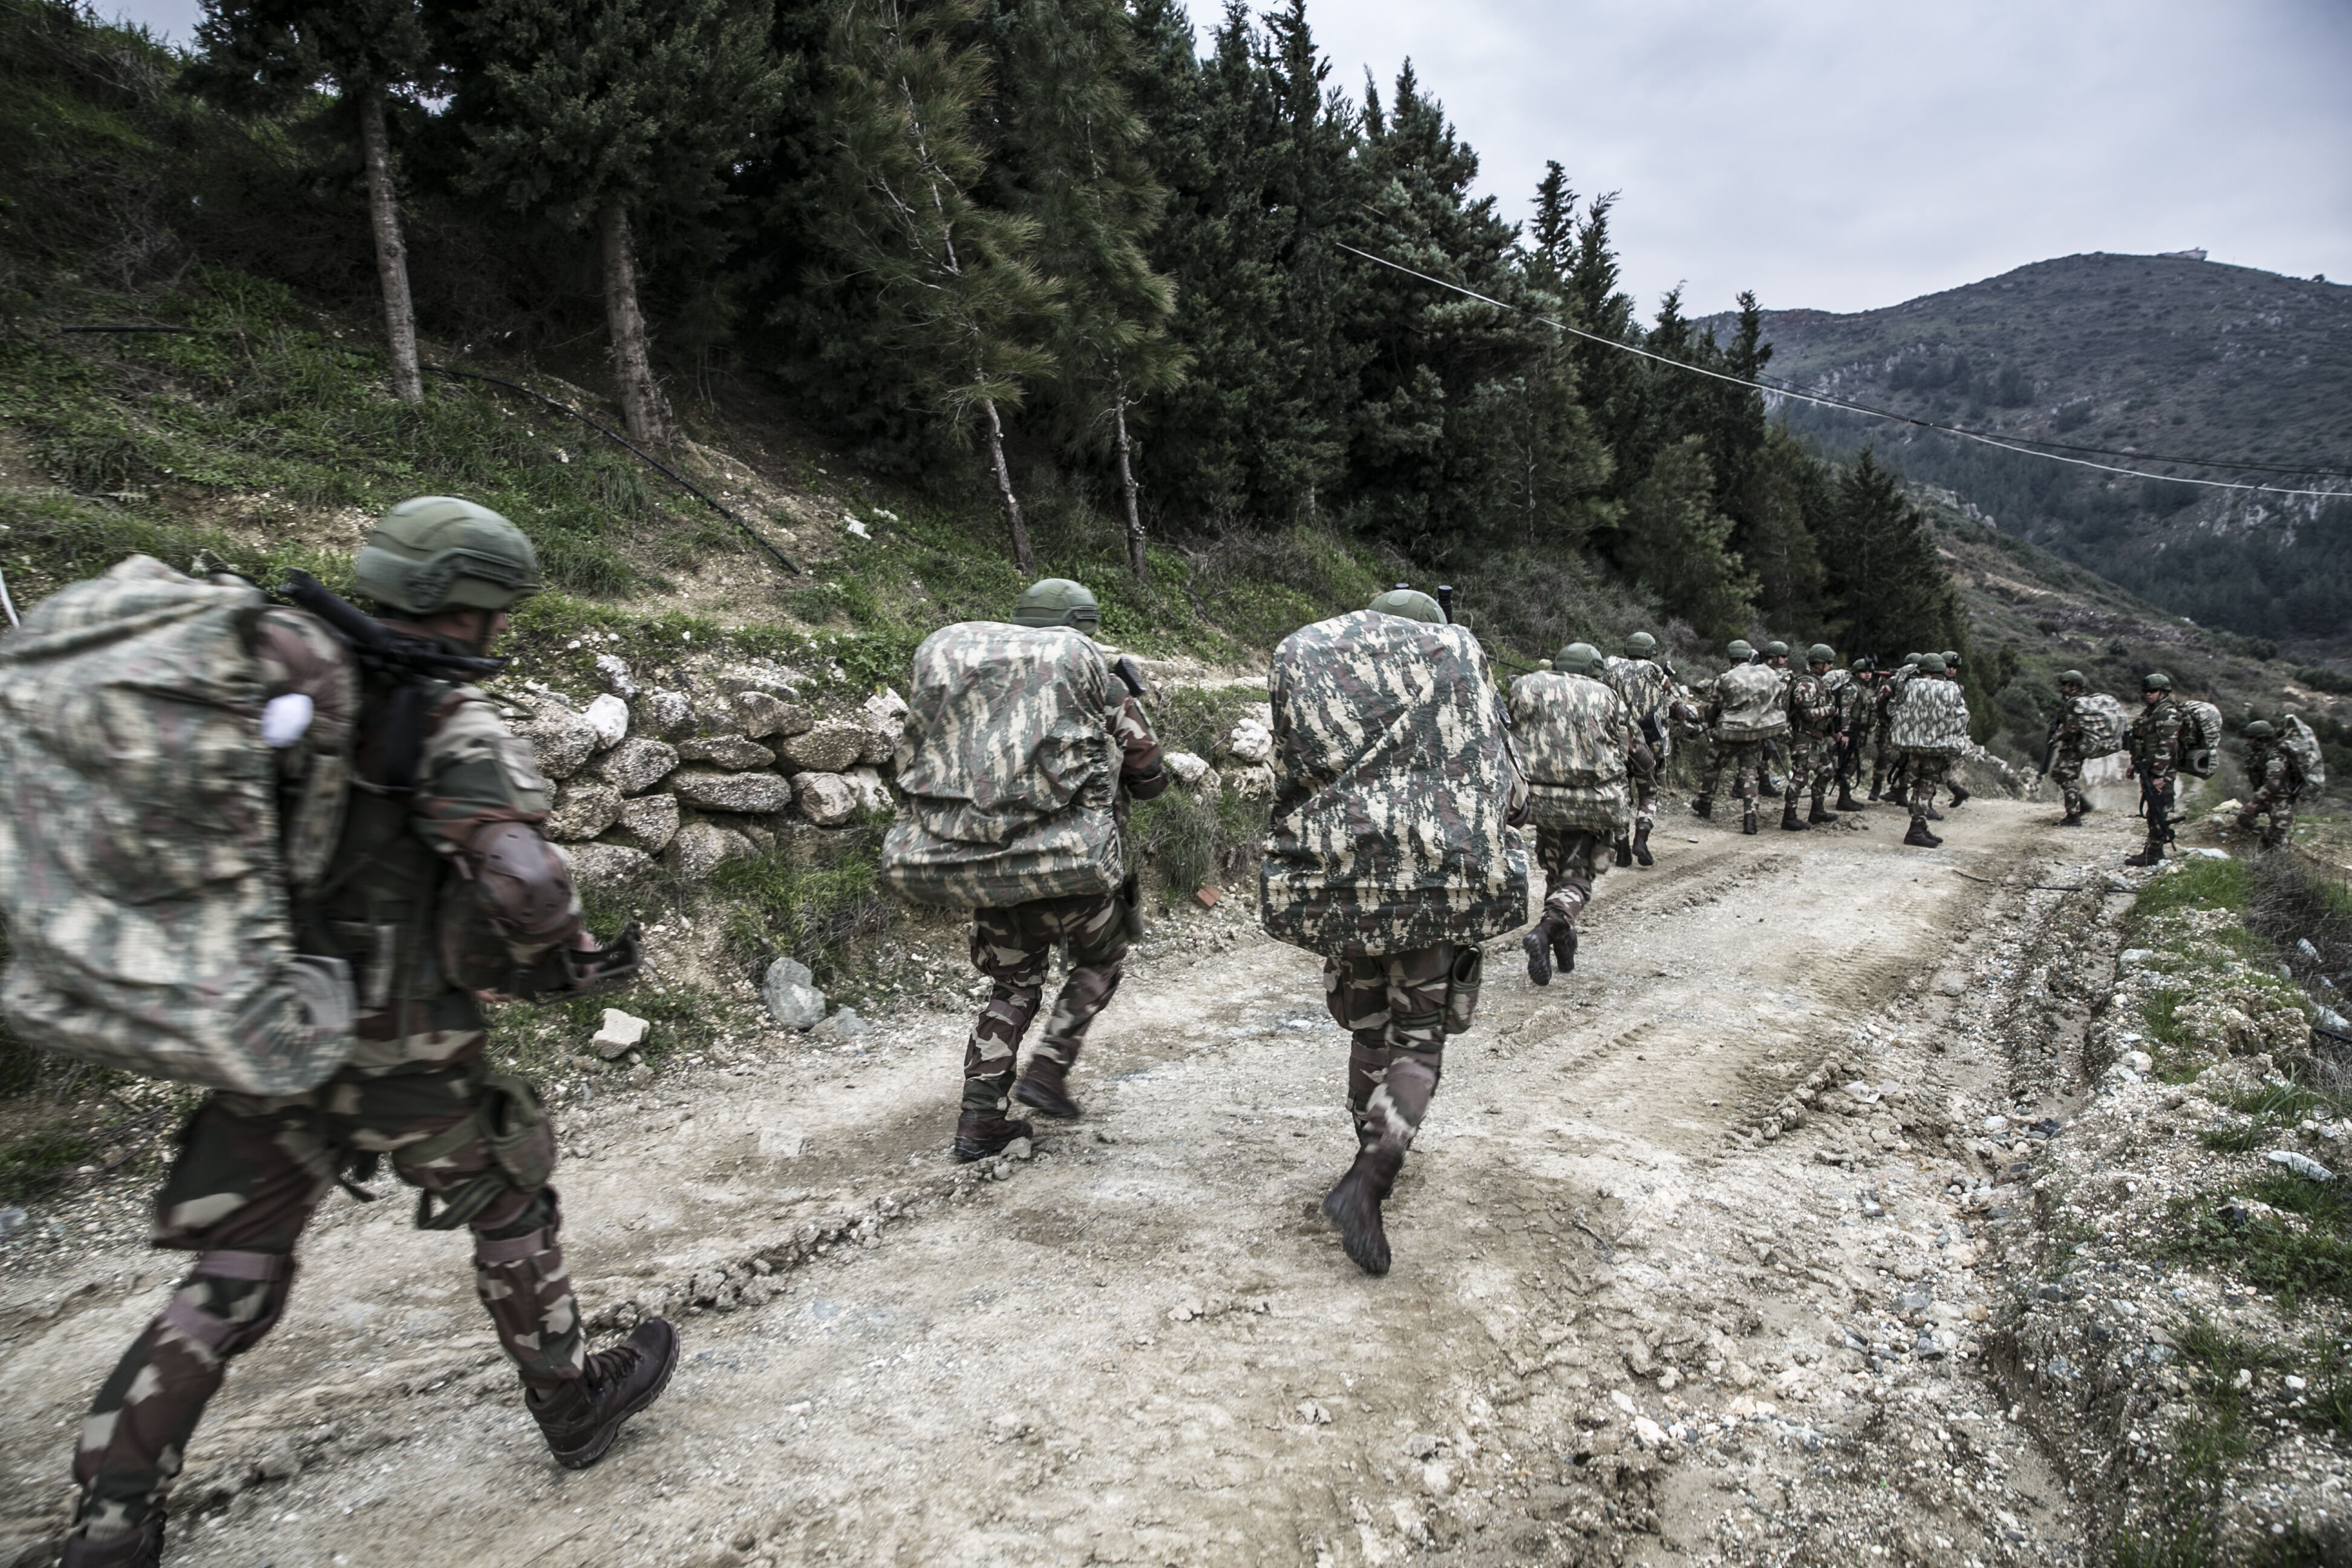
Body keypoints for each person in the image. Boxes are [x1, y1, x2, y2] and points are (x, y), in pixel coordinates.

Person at [56, 498, 674, 1568]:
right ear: (463, 606)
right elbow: (523, 880)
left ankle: (111, 1523)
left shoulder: (276, 681)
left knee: (231, 1273)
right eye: (496, 611)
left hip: (266, 1029)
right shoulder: (434, 717)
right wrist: (565, 956)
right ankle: (573, 1406)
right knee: (510, 1203)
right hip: (402, 1049)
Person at [1260, 587, 1526, 1276]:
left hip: (1341, 877)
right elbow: (1511, 790)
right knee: (1418, 1040)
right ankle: (1369, 1179)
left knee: (1367, 1027)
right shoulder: (1460, 677)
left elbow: (1288, 775)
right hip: (1436, 882)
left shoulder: (1323, 675)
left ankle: (1368, 1141)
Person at [889, 578, 1168, 1161]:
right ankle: (1048, 1067)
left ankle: (979, 1122)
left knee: (1013, 985)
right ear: (1081, 627)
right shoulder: (1098, 680)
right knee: (1103, 956)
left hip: (984, 861)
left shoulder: (974, 679)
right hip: (1068, 864)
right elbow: (1146, 767)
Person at [1513, 643, 1645, 984]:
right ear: (1594, 671)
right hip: (1591, 803)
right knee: (1579, 876)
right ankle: (1546, 931)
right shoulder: (1606, 696)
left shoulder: (1527, 686)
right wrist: (1646, 771)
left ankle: (1561, 943)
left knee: (1557, 868)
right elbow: (1634, 749)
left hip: (1538, 798)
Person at [1598, 631, 1677, 867]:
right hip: (1645, 745)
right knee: (1649, 791)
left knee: (1619, 793)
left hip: (1614, 741)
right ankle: (1641, 838)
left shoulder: (1608, 664)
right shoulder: (1654, 670)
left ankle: (1621, 847)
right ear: (1650, 651)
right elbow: (1671, 700)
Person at [1691, 639, 1786, 835]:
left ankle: (1705, 805)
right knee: (1749, 773)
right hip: (1754, 733)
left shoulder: (1725, 678)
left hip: (1728, 733)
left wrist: (1711, 725)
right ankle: (1750, 819)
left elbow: (1712, 708)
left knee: (1713, 767)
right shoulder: (1766, 674)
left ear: (1731, 657)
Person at [1886, 653, 1970, 849]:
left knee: (1917, 786)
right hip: (1937, 748)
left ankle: (1920, 826)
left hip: (1914, 745)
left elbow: (1893, 710)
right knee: (1927, 787)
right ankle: (1915, 830)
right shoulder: (1952, 689)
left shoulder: (1911, 686)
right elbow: (1963, 716)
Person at [2123, 671, 2184, 867]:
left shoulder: (2167, 714)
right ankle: (2154, 851)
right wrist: (2134, 763)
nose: (2148, 694)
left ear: (2164, 692)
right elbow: (2140, 741)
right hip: (2148, 768)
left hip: (2161, 771)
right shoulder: (2150, 712)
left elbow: (2168, 746)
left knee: (2158, 810)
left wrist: (2159, 775)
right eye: (2146, 691)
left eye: (2153, 691)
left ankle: (2153, 853)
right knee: (2153, 811)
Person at [1780, 644, 1843, 830]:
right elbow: (1807, 714)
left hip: (1816, 739)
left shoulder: (1818, 682)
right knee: (1800, 777)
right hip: (1804, 737)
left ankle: (1817, 811)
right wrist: (1831, 710)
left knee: (1827, 771)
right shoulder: (1806, 683)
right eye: (1828, 663)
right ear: (1819, 663)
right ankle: (1789, 817)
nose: (1831, 667)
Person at [2235, 720, 2303, 850]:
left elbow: (2273, 783)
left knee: (2278, 838)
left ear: (2262, 739)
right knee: (2244, 818)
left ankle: (2281, 859)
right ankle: (2267, 838)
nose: (2247, 741)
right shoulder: (2258, 753)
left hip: (2280, 800)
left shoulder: (2275, 755)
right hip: (2265, 798)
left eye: (2251, 738)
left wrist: (2254, 802)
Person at [2044, 670, 2095, 826]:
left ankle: (2074, 816)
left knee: (2067, 778)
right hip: (2070, 747)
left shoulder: (2078, 703)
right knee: (2058, 774)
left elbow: (2072, 728)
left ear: (2075, 685)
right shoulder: (2073, 701)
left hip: (2075, 748)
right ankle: (2083, 804)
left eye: (2066, 684)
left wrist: (2057, 736)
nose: (2063, 687)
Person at [1832, 657, 1875, 812]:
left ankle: (1846, 796)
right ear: (1856, 673)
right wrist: (1844, 732)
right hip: (1849, 731)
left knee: (1852, 763)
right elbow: (1844, 711)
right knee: (1846, 763)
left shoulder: (1864, 689)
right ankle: (1843, 798)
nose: (1868, 674)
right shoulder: (1852, 688)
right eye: (1864, 671)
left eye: (1870, 671)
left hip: (1857, 731)